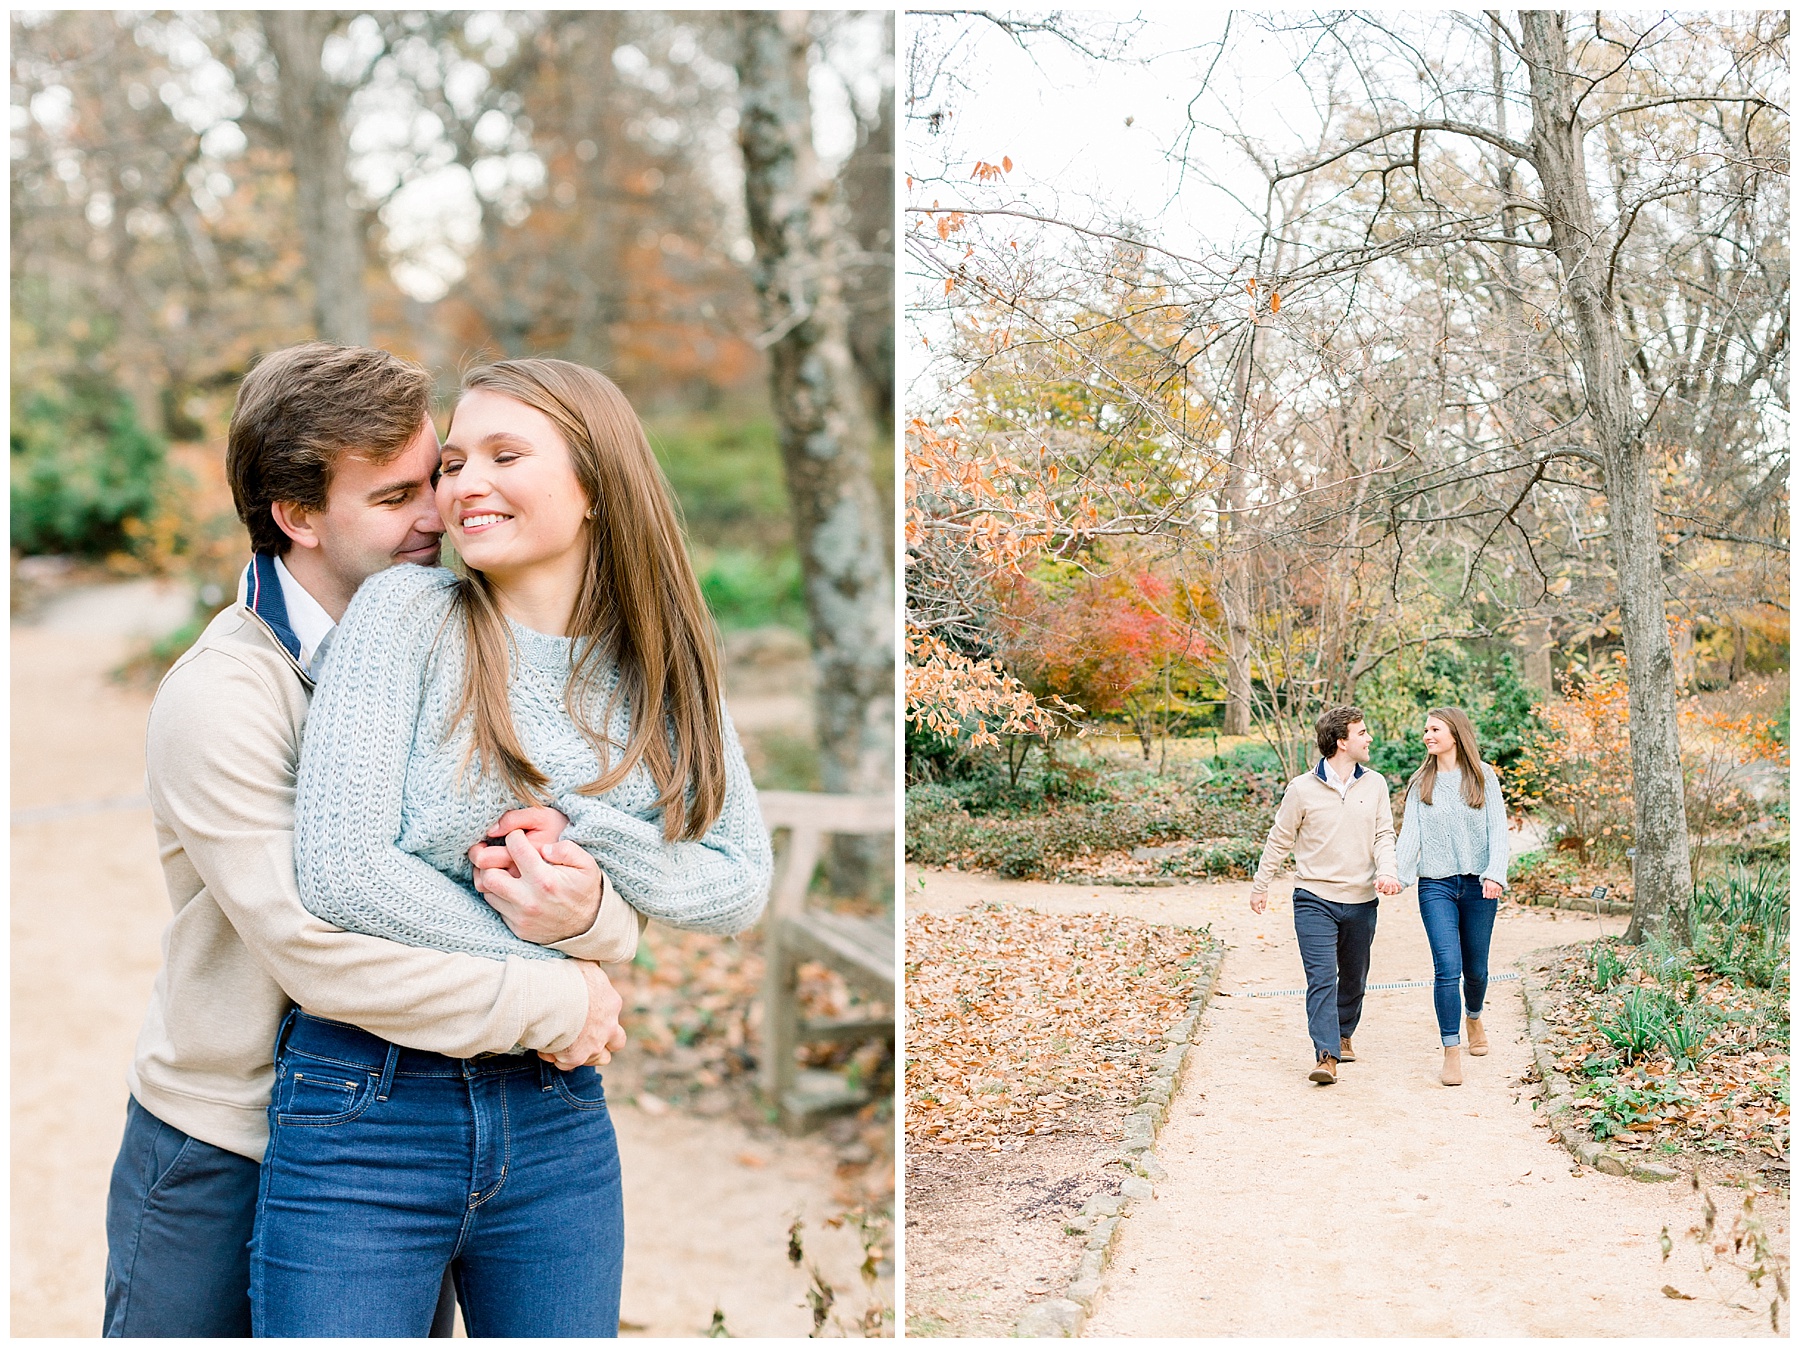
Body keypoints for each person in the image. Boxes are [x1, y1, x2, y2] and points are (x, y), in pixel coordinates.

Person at [105, 344, 638, 1338]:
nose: (442, 512)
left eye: (435, 475)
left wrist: (600, 917)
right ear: (297, 516)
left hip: (395, 1117)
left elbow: (579, 852)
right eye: (397, 496)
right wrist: (556, 998)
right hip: (227, 1140)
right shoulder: (224, 697)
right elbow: (316, 942)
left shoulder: (470, 646)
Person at [249, 357, 773, 1338]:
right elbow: (343, 867)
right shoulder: (408, 615)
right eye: (453, 462)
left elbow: (739, 883)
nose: (463, 485)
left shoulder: (655, 669)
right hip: (367, 1103)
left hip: (554, 1115)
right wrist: (558, 968)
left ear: (593, 491)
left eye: (504, 454)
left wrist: (595, 851)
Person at [1250, 706, 1402, 1084]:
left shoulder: (1376, 784)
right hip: (1313, 897)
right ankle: (1326, 1054)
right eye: (1362, 732)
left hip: (1361, 899)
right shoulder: (1301, 789)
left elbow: (1384, 834)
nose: (1369, 739)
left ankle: (1344, 1032)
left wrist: (1387, 870)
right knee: (1321, 978)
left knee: (1354, 978)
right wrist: (1261, 884)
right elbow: (1280, 838)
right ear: (1341, 742)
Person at [1396, 707, 1510, 1087]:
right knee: (1447, 967)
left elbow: (1499, 830)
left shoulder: (1483, 777)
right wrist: (1396, 875)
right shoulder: (1420, 783)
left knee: (1476, 969)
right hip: (1436, 886)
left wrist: (1495, 873)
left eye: (1434, 729)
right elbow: (1409, 835)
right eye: (1425, 730)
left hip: (1479, 886)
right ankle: (1451, 1051)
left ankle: (1474, 1016)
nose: (1427, 735)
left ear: (1456, 734)